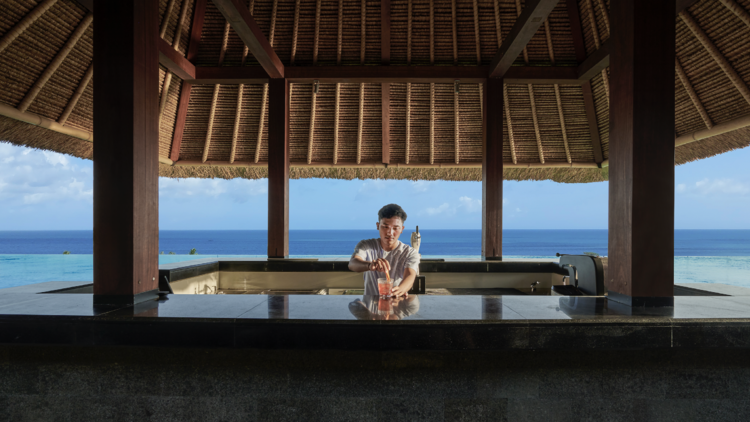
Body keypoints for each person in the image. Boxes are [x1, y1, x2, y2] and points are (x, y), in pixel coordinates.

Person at [348, 204, 420, 296]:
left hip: (396, 305)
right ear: (378, 226)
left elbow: (410, 275)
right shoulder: (366, 245)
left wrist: (400, 290)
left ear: (402, 229)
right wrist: (370, 265)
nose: (390, 233)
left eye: (395, 228)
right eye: (385, 227)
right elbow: (352, 264)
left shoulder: (410, 252)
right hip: (370, 306)